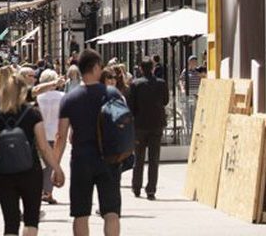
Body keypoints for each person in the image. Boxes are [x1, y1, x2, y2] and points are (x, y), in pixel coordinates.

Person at [0, 67, 64, 236]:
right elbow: (44, 148)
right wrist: (57, 169)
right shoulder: (33, 114)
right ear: (23, 91)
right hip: (30, 171)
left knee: (10, 222)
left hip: (3, 172)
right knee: (31, 220)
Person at [55, 49, 120, 236]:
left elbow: (61, 136)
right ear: (96, 67)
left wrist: (56, 166)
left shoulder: (69, 99)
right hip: (108, 158)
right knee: (111, 213)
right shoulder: (112, 94)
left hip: (81, 160)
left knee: (81, 214)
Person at [128, 59, 169, 200]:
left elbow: (131, 105)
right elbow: (165, 101)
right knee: (154, 158)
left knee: (138, 158)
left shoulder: (135, 84)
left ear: (140, 68)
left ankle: (136, 187)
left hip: (140, 125)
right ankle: (151, 189)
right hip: (156, 124)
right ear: (152, 68)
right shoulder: (161, 83)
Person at [35, 70, 64, 205]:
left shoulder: (38, 97)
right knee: (52, 163)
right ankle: (48, 191)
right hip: (56, 132)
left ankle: (40, 189)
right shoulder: (62, 96)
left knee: (41, 163)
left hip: (40, 132)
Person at [179, 55, 202, 138]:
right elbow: (181, 81)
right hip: (189, 95)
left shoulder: (197, 72)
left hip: (196, 94)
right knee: (189, 112)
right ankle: (189, 129)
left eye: (195, 61)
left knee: (195, 112)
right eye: (193, 61)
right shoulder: (185, 71)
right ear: (189, 62)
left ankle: (194, 129)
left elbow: (201, 81)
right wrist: (183, 90)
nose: (194, 63)